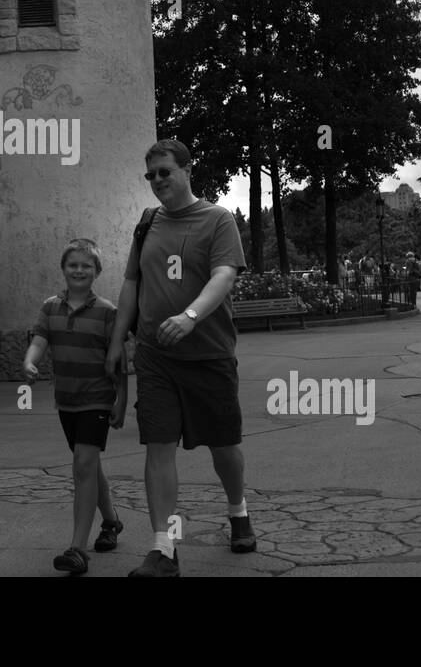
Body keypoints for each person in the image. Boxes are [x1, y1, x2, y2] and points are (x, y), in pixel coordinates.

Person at [103, 139, 249, 577]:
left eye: (165, 172)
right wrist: (117, 342)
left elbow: (224, 275)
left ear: (187, 170)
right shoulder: (147, 223)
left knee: (224, 447)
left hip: (208, 354)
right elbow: (131, 283)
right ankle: (164, 549)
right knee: (158, 447)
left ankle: (238, 510)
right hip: (155, 356)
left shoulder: (217, 219)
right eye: (150, 175)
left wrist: (190, 316)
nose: (157, 182)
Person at [24, 239, 126, 576]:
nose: (79, 270)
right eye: (73, 265)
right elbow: (40, 339)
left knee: (82, 464)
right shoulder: (50, 307)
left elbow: (120, 360)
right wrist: (30, 361)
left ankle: (77, 549)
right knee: (89, 465)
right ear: (64, 269)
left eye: (86, 265)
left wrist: (121, 401)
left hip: (97, 397)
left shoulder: (108, 311)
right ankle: (111, 521)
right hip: (66, 400)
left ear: (96, 271)